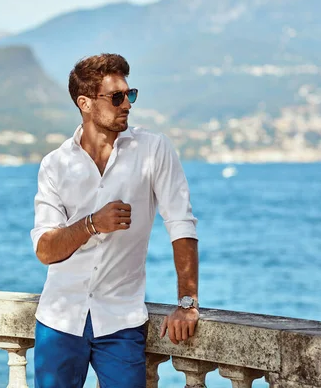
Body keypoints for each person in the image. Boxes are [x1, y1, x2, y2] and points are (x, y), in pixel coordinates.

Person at [30, 53, 199, 388]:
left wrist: (187, 303)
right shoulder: (55, 164)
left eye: (130, 94)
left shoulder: (153, 150)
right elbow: (45, 250)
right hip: (58, 322)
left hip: (121, 323)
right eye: (117, 97)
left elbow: (181, 224)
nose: (128, 105)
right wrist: (92, 223)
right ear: (86, 103)